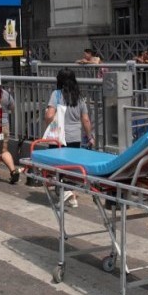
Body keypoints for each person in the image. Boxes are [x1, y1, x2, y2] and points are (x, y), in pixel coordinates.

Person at [44, 68, 95, 208]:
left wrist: (47, 122)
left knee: (57, 166)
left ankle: (66, 192)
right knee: (69, 167)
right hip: (75, 137)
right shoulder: (79, 97)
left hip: (58, 137)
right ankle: (70, 195)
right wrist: (90, 137)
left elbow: (49, 115)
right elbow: (85, 120)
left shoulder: (56, 94)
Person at [0, 87, 20, 184]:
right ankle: (13, 171)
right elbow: (12, 108)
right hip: (4, 124)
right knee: (4, 150)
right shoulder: (6, 94)